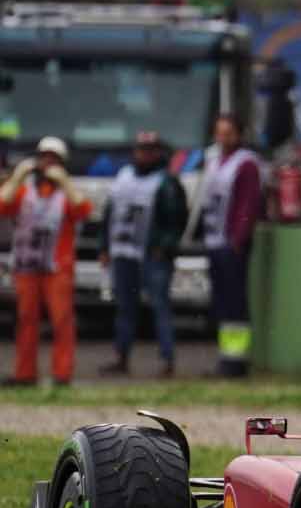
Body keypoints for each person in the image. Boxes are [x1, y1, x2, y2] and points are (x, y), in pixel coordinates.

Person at [0, 137, 91, 387]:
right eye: (43, 157)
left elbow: (83, 210)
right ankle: (25, 374)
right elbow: (2, 203)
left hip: (57, 267)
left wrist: (64, 181)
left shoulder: (67, 192)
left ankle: (62, 375)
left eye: (53, 159)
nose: (47, 163)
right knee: (26, 320)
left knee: (62, 321)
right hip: (26, 267)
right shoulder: (24, 189)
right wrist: (18, 176)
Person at [100, 132, 189, 378]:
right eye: (141, 149)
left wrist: (166, 247)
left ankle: (168, 360)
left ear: (159, 153)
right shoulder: (123, 178)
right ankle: (121, 357)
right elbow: (109, 215)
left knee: (160, 306)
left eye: (150, 150)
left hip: (153, 255)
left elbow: (178, 219)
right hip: (123, 252)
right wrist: (104, 247)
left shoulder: (167, 182)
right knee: (125, 308)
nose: (145, 154)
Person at [199, 113, 263, 378]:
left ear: (238, 134)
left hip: (232, 245)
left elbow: (248, 203)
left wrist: (239, 238)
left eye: (228, 133)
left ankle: (236, 362)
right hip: (214, 241)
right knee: (222, 304)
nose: (223, 138)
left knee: (235, 304)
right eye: (219, 133)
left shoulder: (245, 163)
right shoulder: (214, 161)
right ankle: (226, 357)